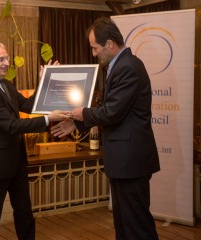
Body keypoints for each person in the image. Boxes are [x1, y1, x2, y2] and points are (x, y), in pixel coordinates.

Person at [51, 17, 160, 240]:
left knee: (137, 226)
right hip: (124, 161)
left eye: (95, 47)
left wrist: (83, 113)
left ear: (110, 44)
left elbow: (111, 112)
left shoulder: (128, 67)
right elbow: (108, 109)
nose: (93, 53)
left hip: (131, 162)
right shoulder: (119, 66)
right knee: (124, 223)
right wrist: (76, 122)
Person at [0, 41, 68, 240]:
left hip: (16, 161)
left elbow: (30, 105)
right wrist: (49, 118)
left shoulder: (6, 85)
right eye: (1, 59)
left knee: (24, 212)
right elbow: (12, 126)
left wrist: (44, 82)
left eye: (7, 58)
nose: (7, 62)